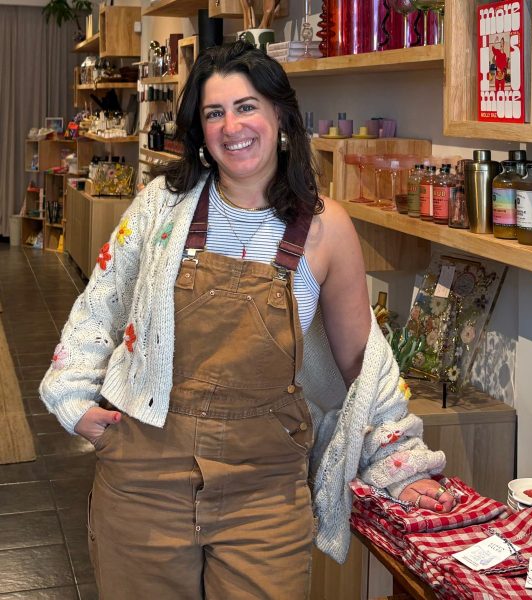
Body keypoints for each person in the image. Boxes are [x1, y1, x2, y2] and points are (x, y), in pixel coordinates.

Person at [40, 41, 455, 599]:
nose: (231, 125)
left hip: (265, 491)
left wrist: (398, 459)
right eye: (214, 113)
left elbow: (364, 360)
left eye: (246, 106)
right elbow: (102, 300)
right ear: (200, 130)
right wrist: (72, 397)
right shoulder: (162, 205)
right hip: (145, 477)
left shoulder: (326, 227)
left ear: (279, 115)